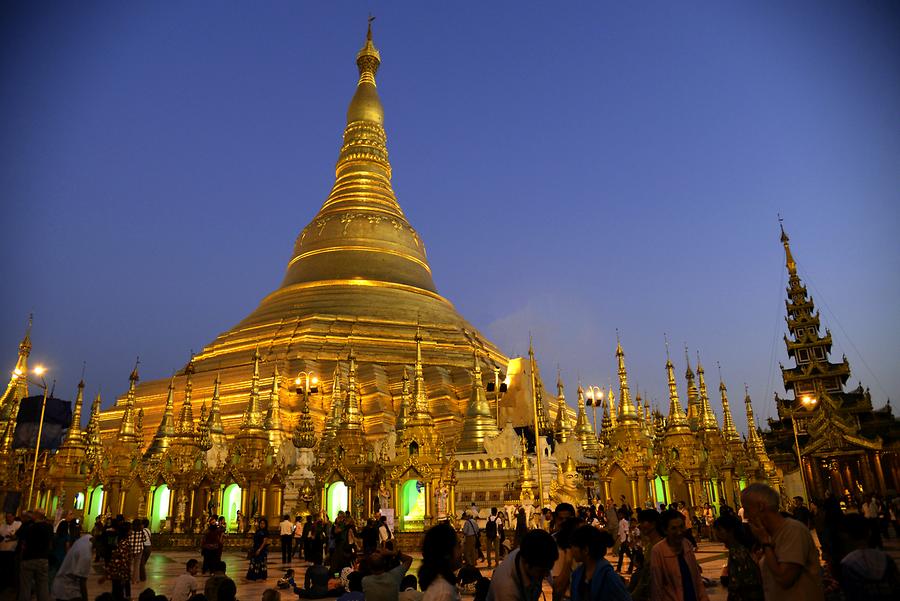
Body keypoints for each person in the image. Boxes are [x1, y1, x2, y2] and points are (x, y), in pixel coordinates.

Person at [741, 483, 824, 601]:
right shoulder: (770, 535)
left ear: (760, 507)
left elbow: (784, 578)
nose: (745, 515)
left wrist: (765, 543)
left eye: (747, 509)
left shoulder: (793, 530)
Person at [837, 513, 899, 601]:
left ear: (845, 535)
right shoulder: (885, 558)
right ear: (869, 533)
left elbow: (852, 594)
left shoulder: (848, 564)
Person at [649, 509, 708, 601]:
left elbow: (696, 578)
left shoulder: (687, 544)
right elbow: (657, 585)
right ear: (665, 530)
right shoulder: (658, 551)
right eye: (674, 528)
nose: (679, 532)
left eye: (681, 527)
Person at [487, 529, 559, 601]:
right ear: (527, 564)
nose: (546, 575)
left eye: (549, 568)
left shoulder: (529, 551)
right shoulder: (507, 591)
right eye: (542, 571)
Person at [568, 525, 631, 601]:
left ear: (585, 550)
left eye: (574, 546)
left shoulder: (609, 576)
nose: (571, 549)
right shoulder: (577, 574)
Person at [713, 513, 764, 601]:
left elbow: (743, 584)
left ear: (730, 531)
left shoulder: (738, 552)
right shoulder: (736, 549)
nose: (716, 533)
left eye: (719, 530)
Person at [418, 522, 461, 601]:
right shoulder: (444, 593)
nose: (462, 551)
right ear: (446, 553)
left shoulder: (441, 586)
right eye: (458, 546)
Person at [50, 525, 92, 601]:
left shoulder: (84, 539)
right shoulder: (86, 554)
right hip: (68, 590)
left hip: (62, 586)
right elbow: (82, 581)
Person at [19, 509, 54, 601]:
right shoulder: (49, 527)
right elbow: (50, 544)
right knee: (43, 586)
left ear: (36, 515)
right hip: (43, 558)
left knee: (25, 586)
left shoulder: (30, 527)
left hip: (29, 558)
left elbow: (24, 543)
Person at [629, 509, 662, 601]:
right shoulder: (649, 546)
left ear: (654, 523)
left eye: (643, 522)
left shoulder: (660, 546)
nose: (640, 526)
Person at [0, 512, 21, 591]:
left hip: (12, 551)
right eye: (7, 517)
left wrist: (13, 537)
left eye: (9, 517)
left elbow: (19, 536)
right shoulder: (2, 525)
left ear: (13, 517)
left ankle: (10, 584)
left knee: (10, 568)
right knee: (2, 568)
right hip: (2, 550)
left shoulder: (18, 524)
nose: (8, 519)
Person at [128, 519, 145, 586]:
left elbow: (128, 539)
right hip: (139, 550)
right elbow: (144, 539)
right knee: (136, 565)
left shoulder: (130, 531)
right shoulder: (142, 532)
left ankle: (127, 578)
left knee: (129, 564)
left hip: (130, 550)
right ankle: (135, 580)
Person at [617, 509, 633, 573]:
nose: (619, 515)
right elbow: (619, 532)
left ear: (623, 515)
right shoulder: (620, 522)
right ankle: (628, 568)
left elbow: (626, 531)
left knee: (623, 555)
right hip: (622, 540)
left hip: (625, 541)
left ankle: (619, 569)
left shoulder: (625, 522)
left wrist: (626, 540)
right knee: (626, 555)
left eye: (620, 514)